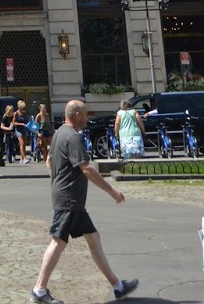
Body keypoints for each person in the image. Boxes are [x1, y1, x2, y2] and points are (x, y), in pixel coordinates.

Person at [31, 98, 138, 303]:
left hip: (71, 199)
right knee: (58, 241)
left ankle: (118, 286)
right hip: (69, 199)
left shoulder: (59, 132)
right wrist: (112, 191)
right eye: (86, 114)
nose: (87, 118)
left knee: (93, 238)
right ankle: (39, 290)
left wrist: (56, 182)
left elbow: (49, 161)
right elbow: (86, 168)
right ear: (78, 115)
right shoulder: (73, 137)